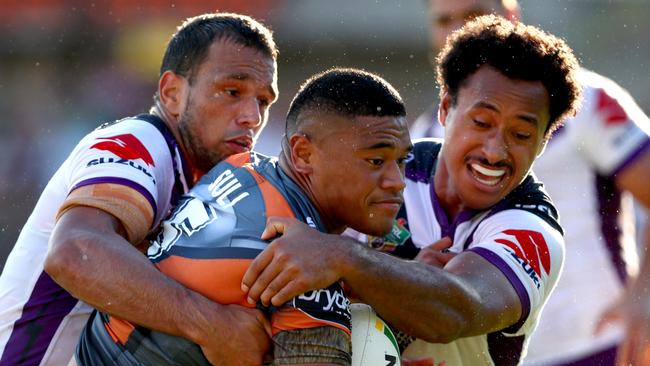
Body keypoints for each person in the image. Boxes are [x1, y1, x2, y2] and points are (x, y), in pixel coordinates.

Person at [241, 15, 581, 365]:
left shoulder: (532, 231)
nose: (495, 150)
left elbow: (457, 310)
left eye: (521, 135)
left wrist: (343, 258)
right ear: (446, 109)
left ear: (543, 142)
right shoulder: (390, 165)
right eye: (481, 123)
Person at [75, 68, 412, 365]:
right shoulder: (302, 268)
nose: (397, 181)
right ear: (303, 153)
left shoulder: (242, 165)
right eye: (375, 161)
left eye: (401, 161)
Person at [0, 13, 279, 366]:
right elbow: (74, 252)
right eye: (232, 91)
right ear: (172, 93)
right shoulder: (137, 142)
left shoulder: (216, 182)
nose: (252, 116)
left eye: (263, 101)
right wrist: (211, 325)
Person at [414, 1, 650, 365]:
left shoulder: (585, 102)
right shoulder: (423, 138)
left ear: (511, 14)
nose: (457, 29)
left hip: (600, 344)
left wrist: (644, 297)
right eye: (444, 20)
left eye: (472, 15)